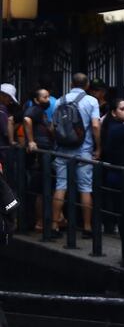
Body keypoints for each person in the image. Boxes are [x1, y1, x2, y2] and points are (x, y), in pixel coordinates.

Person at [51, 73, 101, 237]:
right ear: (87, 86)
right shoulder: (91, 101)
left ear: (72, 83)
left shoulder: (60, 100)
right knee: (85, 188)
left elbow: (53, 127)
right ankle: (87, 228)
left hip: (62, 149)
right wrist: (98, 147)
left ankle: (54, 225)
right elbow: (95, 126)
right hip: (83, 150)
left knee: (60, 185)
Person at [23, 88, 53, 232]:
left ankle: (38, 222)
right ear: (36, 100)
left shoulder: (41, 112)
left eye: (48, 96)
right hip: (38, 155)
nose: (48, 100)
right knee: (38, 189)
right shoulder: (35, 109)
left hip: (42, 154)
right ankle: (38, 222)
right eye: (45, 97)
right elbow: (26, 119)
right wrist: (31, 141)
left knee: (40, 188)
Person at [99, 99, 124, 236]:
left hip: (112, 169)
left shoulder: (108, 125)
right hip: (120, 171)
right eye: (122, 109)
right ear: (114, 112)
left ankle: (110, 225)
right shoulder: (121, 129)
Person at [0, 83, 18, 166]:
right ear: (3, 95)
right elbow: (6, 132)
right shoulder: (2, 111)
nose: (10, 101)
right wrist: (15, 125)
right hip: (3, 151)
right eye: (9, 98)